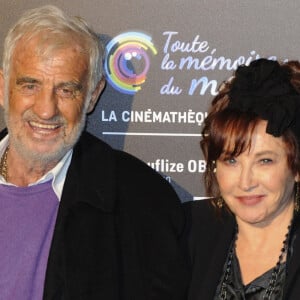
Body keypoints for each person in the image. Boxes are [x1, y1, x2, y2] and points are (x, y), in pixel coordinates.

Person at [0, 5, 189, 300]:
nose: (46, 109)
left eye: (66, 90)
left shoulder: (142, 203)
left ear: (93, 95)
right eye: (30, 85)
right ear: (2, 88)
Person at [184, 58, 300, 299]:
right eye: (231, 161)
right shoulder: (187, 231)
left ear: (296, 168)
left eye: (264, 160)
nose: (245, 182)